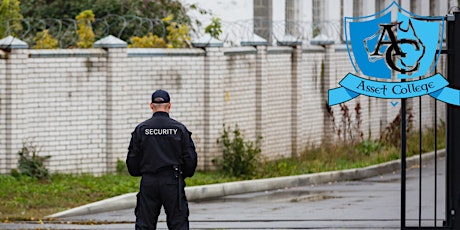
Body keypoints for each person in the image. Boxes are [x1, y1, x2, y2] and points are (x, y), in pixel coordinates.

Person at [126, 89, 198, 230]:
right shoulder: (179, 129)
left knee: (145, 224)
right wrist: (184, 174)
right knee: (178, 223)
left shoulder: (141, 129)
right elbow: (190, 159)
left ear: (151, 106)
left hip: (149, 182)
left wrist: (142, 173)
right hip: (172, 181)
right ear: (169, 106)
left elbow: (132, 161)